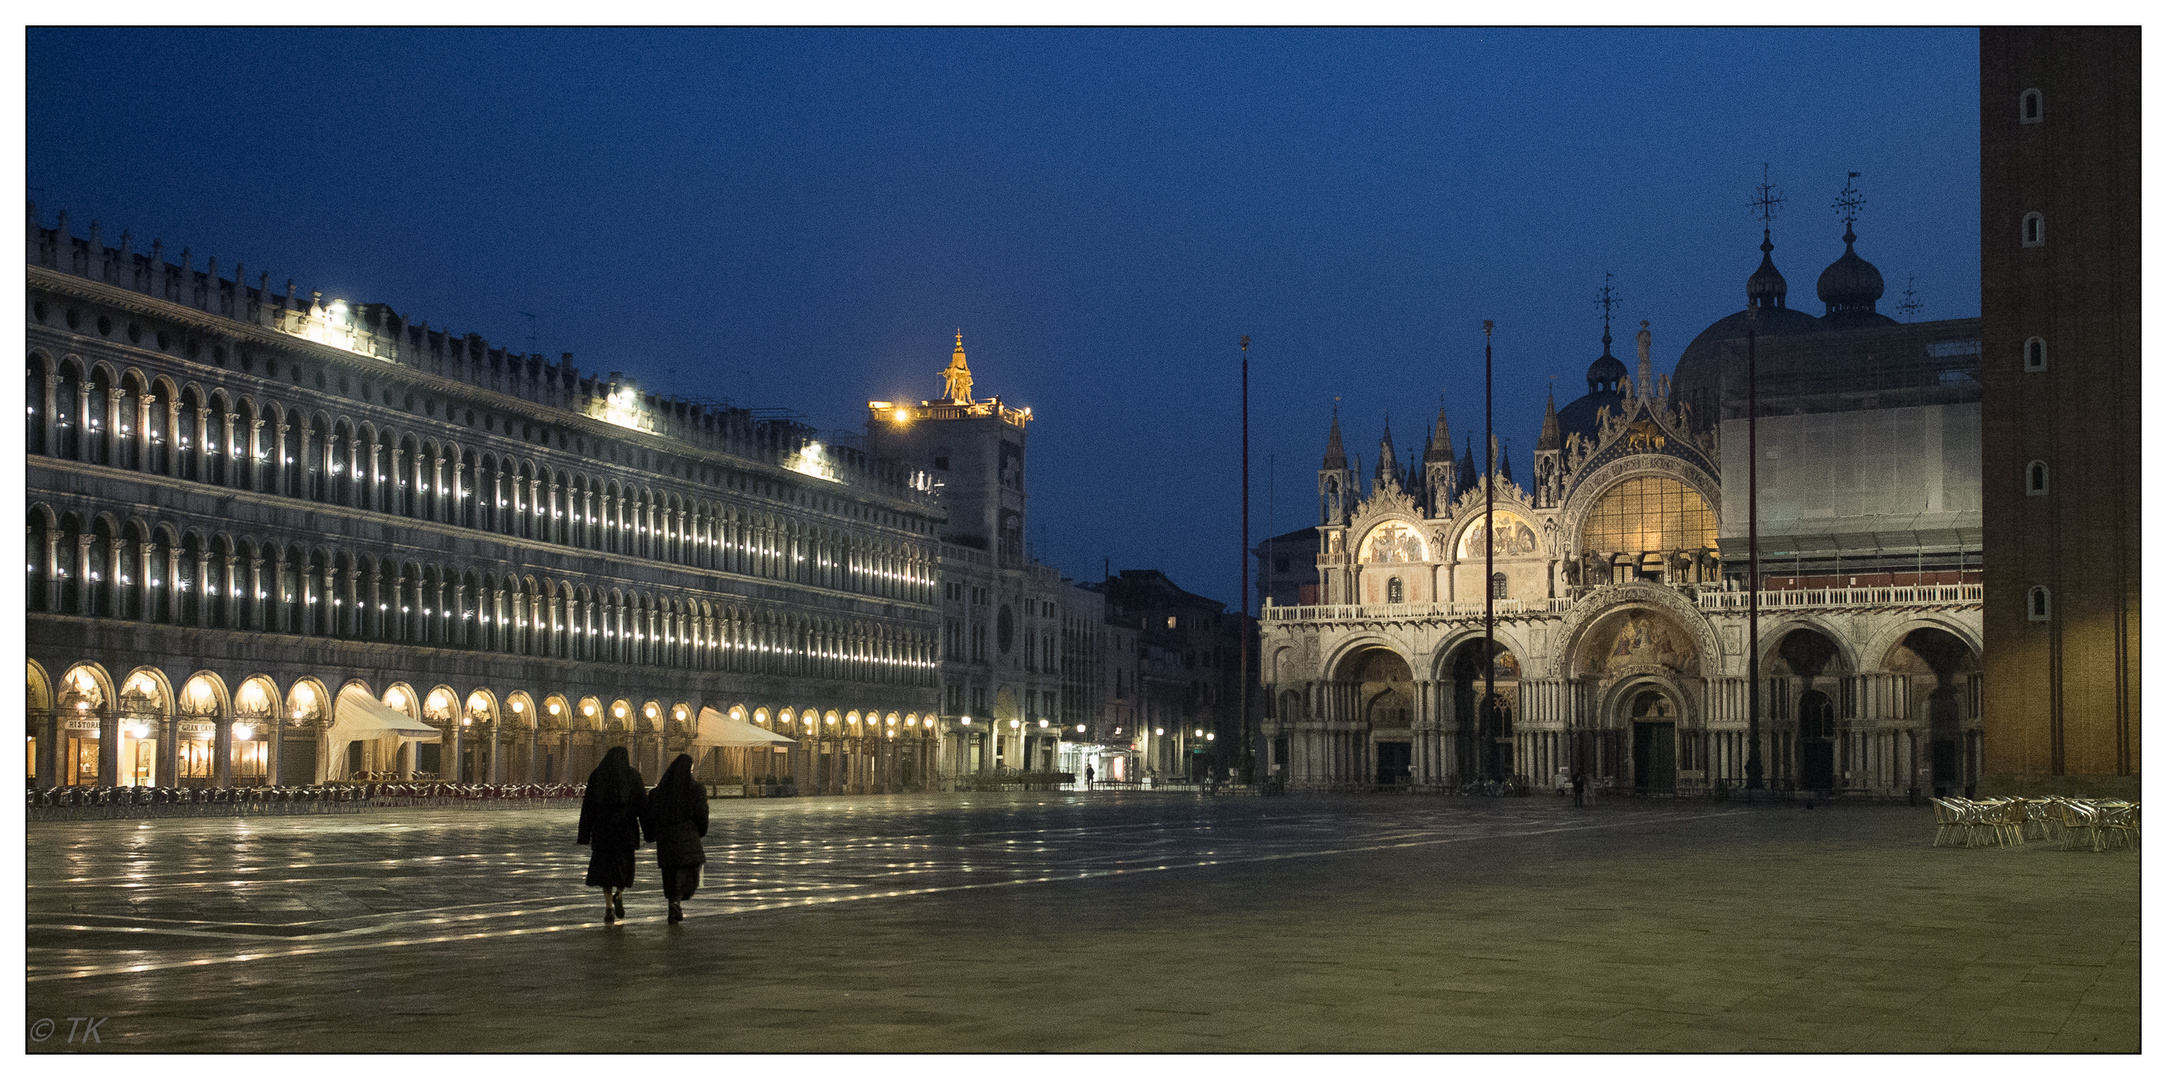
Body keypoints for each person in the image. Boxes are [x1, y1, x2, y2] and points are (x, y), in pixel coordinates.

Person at [577, 746, 646, 923]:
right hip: (626, 831)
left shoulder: (597, 776)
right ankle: (619, 894)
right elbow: (642, 805)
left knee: (605, 870)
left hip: (602, 831)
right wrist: (648, 829)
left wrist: (584, 834)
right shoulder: (632, 776)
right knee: (623, 867)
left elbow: (588, 808)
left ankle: (608, 906)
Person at [642, 753, 710, 924]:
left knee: (671, 875)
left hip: (666, 840)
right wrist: (701, 831)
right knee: (690, 873)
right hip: (689, 838)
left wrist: (651, 834)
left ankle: (673, 902)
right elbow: (702, 815)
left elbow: (650, 816)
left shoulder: (658, 793)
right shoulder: (695, 790)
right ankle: (677, 901)